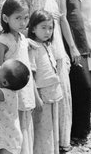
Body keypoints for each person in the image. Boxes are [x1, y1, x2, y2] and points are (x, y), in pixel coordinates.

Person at [20, 0, 72, 152]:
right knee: (41, 96)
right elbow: (23, 25)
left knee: (60, 93)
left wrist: (70, 49)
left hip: (56, 46)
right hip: (36, 50)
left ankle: (59, 142)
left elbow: (61, 21)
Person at [55, 0, 91, 146]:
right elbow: (62, 18)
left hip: (80, 43)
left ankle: (82, 129)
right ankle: (76, 132)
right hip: (70, 45)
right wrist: (73, 46)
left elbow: (78, 19)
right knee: (82, 87)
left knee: (84, 87)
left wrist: (85, 44)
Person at [0, 0, 35, 154]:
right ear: (5, 18)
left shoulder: (23, 38)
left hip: (25, 90)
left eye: (26, 18)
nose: (23, 22)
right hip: (10, 95)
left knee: (24, 128)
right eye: (18, 18)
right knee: (13, 131)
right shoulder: (2, 41)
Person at [28, 10, 63, 154]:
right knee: (42, 131)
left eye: (50, 28)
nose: (47, 31)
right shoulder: (32, 48)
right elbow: (32, 76)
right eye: (43, 27)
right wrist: (36, 98)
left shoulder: (48, 46)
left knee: (51, 130)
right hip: (42, 95)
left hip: (53, 93)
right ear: (33, 28)